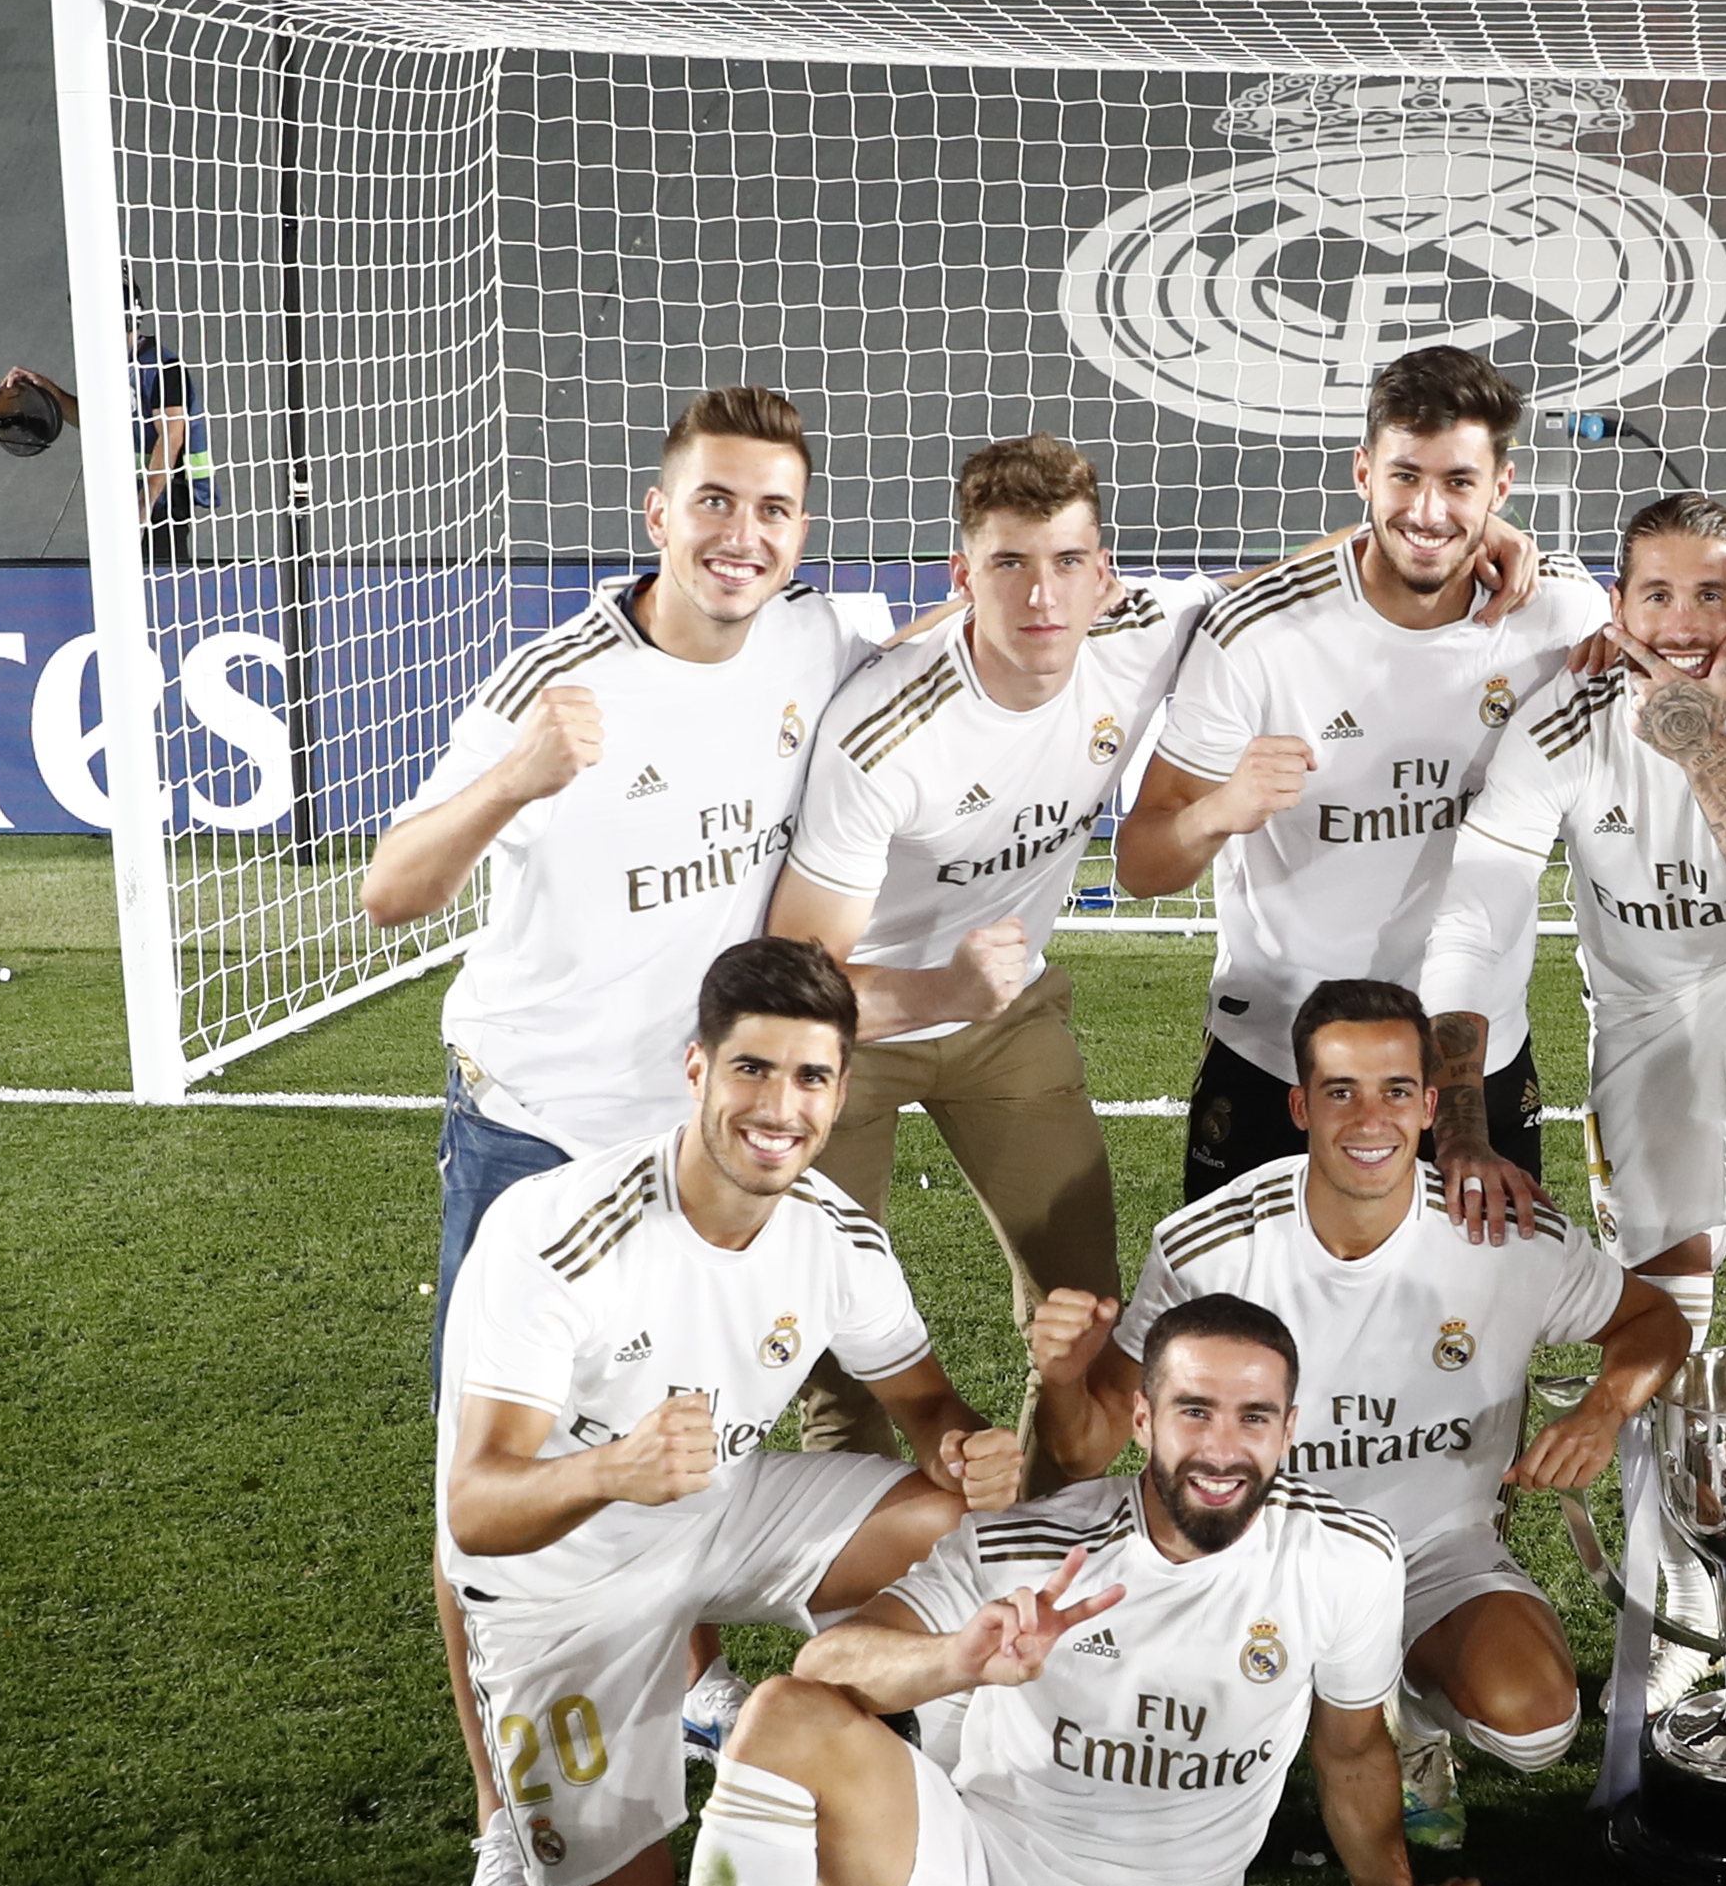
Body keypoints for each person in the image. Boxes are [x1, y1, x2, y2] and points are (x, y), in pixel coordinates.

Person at [546, 1292, 1485, 1886]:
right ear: (1142, 1421)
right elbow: (829, 1671)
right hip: (950, 1885)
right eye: (1195, 1411)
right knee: (783, 1714)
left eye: (1255, 1417)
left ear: (1290, 1430)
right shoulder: (1033, 1544)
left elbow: (1351, 1753)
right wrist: (958, 1660)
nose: (1223, 1447)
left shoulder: (1342, 1563)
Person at [433, 938, 1029, 1886]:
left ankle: (884, 1793)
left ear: (840, 1092)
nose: (780, 1106)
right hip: (566, 1578)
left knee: (944, 1527)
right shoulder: (559, 1234)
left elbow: (928, 1401)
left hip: (722, 1513)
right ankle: (512, 1831)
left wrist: (965, 1450)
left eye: (810, 1077)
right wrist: (610, 1471)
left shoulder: (835, 1236)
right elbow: (474, 1510)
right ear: (697, 1069)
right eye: (752, 1068)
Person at [1033, 980, 1690, 1855]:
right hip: (1256, 1552)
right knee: (1143, 1761)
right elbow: (1088, 1445)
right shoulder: (1211, 1245)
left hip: (1434, 1549)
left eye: (1395, 1092)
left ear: (1429, 1106)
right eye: (1341, 1092)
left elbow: (1656, 1323)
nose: (1369, 1119)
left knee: (1537, 1724)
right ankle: (1301, 1694)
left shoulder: (1504, 1234)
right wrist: (1067, 1380)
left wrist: (1605, 1409)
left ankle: (1397, 1706)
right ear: (1302, 1106)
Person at [363, 385, 875, 1366]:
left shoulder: (813, 638)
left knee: (677, 1434)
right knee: (494, 1454)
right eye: (713, 501)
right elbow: (390, 892)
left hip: (696, 1133)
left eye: (771, 510)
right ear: (659, 515)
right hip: (536, 1123)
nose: (741, 536)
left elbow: (941, 645)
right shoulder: (555, 683)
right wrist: (518, 778)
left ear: (799, 533)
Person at [765, 433, 1198, 1444]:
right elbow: (796, 986)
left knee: (1085, 1318)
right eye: (1008, 563)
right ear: (964, 576)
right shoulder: (883, 730)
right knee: (837, 1349)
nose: (1041, 597)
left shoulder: (1146, 632)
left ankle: (1041, 1561)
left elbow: (1296, 591)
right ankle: (868, 1592)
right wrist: (942, 992)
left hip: (1005, 1015)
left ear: (1106, 575)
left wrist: (1465, 532)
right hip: (853, 1029)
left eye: (1065, 563)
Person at [1122, 345, 1612, 1214]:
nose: (1428, 510)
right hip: (1282, 1054)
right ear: (1362, 473)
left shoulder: (1562, 614)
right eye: (1405, 477)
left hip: (1474, 1054)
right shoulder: (1257, 633)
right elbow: (1142, 862)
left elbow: (1681, 651)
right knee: (1246, 1336)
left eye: (1460, 482)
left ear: (1503, 489)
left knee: (1475, 1338)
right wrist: (1223, 811)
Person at [1422, 489, 1726, 1365]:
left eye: (1710, 596)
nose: (1681, 624)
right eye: (1658, 596)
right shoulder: (1563, 719)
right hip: (1644, 1010)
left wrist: (1701, 747)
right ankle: (1655, 1505)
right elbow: (1473, 921)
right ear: (1618, 606)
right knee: (1662, 1301)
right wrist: (1459, 1125)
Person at [123, 306, 207, 566]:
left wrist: (143, 506)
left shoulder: (164, 367)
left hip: (163, 503)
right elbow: (91, 420)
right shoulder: (110, 367)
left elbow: (172, 436)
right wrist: (47, 390)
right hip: (119, 496)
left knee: (164, 589)